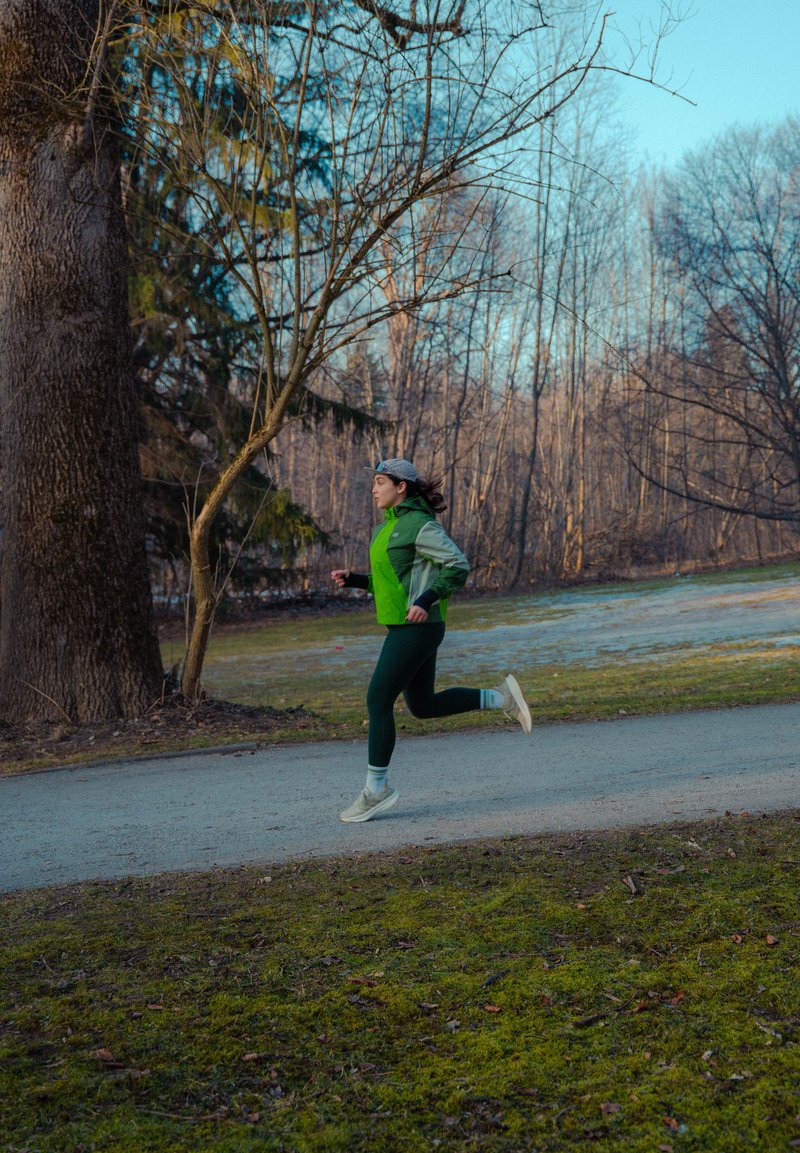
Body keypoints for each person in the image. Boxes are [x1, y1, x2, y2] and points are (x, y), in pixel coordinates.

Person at [331, 458, 532, 823]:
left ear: (401, 486)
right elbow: (393, 581)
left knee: (378, 698)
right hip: (404, 626)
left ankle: (376, 790)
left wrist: (427, 600)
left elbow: (457, 565)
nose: (374, 489)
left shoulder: (419, 525)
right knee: (422, 705)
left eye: (380, 482)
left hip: (419, 627)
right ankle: (502, 697)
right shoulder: (387, 528)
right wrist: (356, 580)